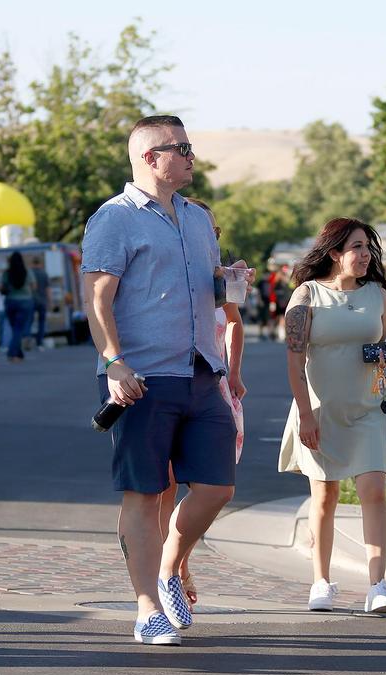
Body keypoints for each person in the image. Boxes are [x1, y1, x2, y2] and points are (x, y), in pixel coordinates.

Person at [82, 114, 252, 645]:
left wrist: (230, 282)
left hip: (203, 371)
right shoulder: (112, 219)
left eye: (190, 145)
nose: (191, 155)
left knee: (217, 487)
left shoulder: (198, 219)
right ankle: (147, 608)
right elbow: (96, 299)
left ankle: (170, 565)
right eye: (180, 148)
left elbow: (207, 290)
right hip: (145, 378)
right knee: (144, 492)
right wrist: (114, 362)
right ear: (150, 158)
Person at [278, 217, 386, 615]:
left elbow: (384, 347)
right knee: (325, 495)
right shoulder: (306, 296)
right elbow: (294, 363)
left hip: (367, 409)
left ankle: (378, 585)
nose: (365, 255)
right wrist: (305, 415)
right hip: (319, 411)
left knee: (373, 491)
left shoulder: (378, 295)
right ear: (334, 253)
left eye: (368, 247)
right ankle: (321, 581)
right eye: (357, 248)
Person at [155, 198, 247, 608]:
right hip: (167, 383)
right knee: (165, 485)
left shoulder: (218, 276)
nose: (206, 235)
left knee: (208, 486)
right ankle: (169, 572)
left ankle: (178, 563)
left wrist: (234, 371)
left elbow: (234, 325)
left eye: (212, 231)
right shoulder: (167, 266)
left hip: (214, 384)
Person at [0, 251, 35, 362]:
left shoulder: (7, 273)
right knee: (18, 329)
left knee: (15, 328)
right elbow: (34, 286)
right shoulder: (27, 271)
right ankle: (13, 353)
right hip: (25, 302)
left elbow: (1, 287)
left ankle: (18, 354)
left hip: (10, 302)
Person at [29, 254, 51, 349]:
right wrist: (50, 301)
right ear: (40, 263)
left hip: (32, 300)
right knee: (41, 322)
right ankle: (39, 343)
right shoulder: (44, 273)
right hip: (42, 300)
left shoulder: (30, 273)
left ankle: (28, 341)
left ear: (32, 263)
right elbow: (48, 289)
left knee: (29, 321)